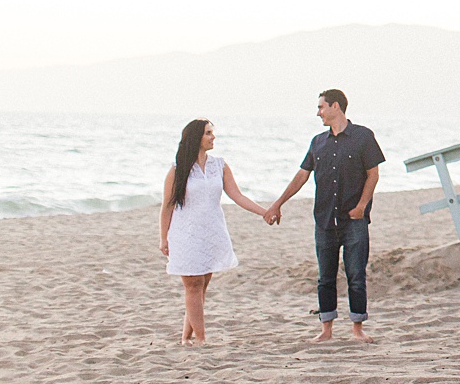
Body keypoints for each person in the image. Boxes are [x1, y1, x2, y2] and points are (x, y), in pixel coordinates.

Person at [265, 89, 384, 343]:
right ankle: (326, 329)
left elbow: (373, 174)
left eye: (321, 107)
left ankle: (357, 329)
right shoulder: (318, 142)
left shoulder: (363, 136)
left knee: (356, 276)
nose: (318, 112)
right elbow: (301, 176)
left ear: (336, 106)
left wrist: (362, 205)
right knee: (325, 277)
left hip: (354, 219)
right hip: (324, 220)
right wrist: (278, 203)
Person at [159, 118, 268, 345]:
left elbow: (237, 196)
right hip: (185, 233)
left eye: (212, 132)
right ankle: (200, 339)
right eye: (208, 133)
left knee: (201, 287)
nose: (213, 137)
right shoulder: (178, 169)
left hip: (211, 232)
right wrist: (163, 237)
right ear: (196, 138)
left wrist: (264, 212)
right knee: (193, 285)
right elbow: (167, 206)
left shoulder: (219, 165)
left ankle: (186, 338)